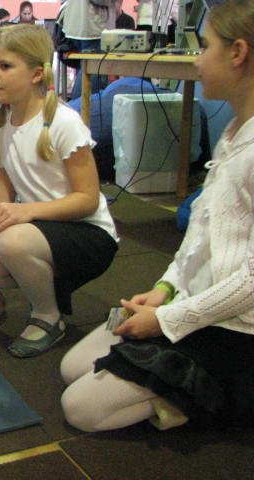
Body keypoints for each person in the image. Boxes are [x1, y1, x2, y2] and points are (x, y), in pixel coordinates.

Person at [61, 0, 254, 432]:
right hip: (197, 303)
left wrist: (168, 320)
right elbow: (200, 237)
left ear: (238, 53)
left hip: (237, 328)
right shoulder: (235, 133)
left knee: (82, 409)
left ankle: (219, 392)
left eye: (205, 47)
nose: (197, 60)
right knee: (73, 367)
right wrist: (166, 288)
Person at [0, 24, 118, 359]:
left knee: (13, 241)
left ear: (35, 74)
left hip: (89, 233)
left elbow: (88, 200)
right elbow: (2, 192)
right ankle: (42, 280)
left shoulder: (63, 121)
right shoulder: (2, 121)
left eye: (5, 66)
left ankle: (48, 316)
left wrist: (24, 213)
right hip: (42, 230)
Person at [59, 0, 120, 99]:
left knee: (87, 72)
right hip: (93, 27)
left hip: (77, 24)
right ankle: (77, 107)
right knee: (92, 76)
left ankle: (76, 106)